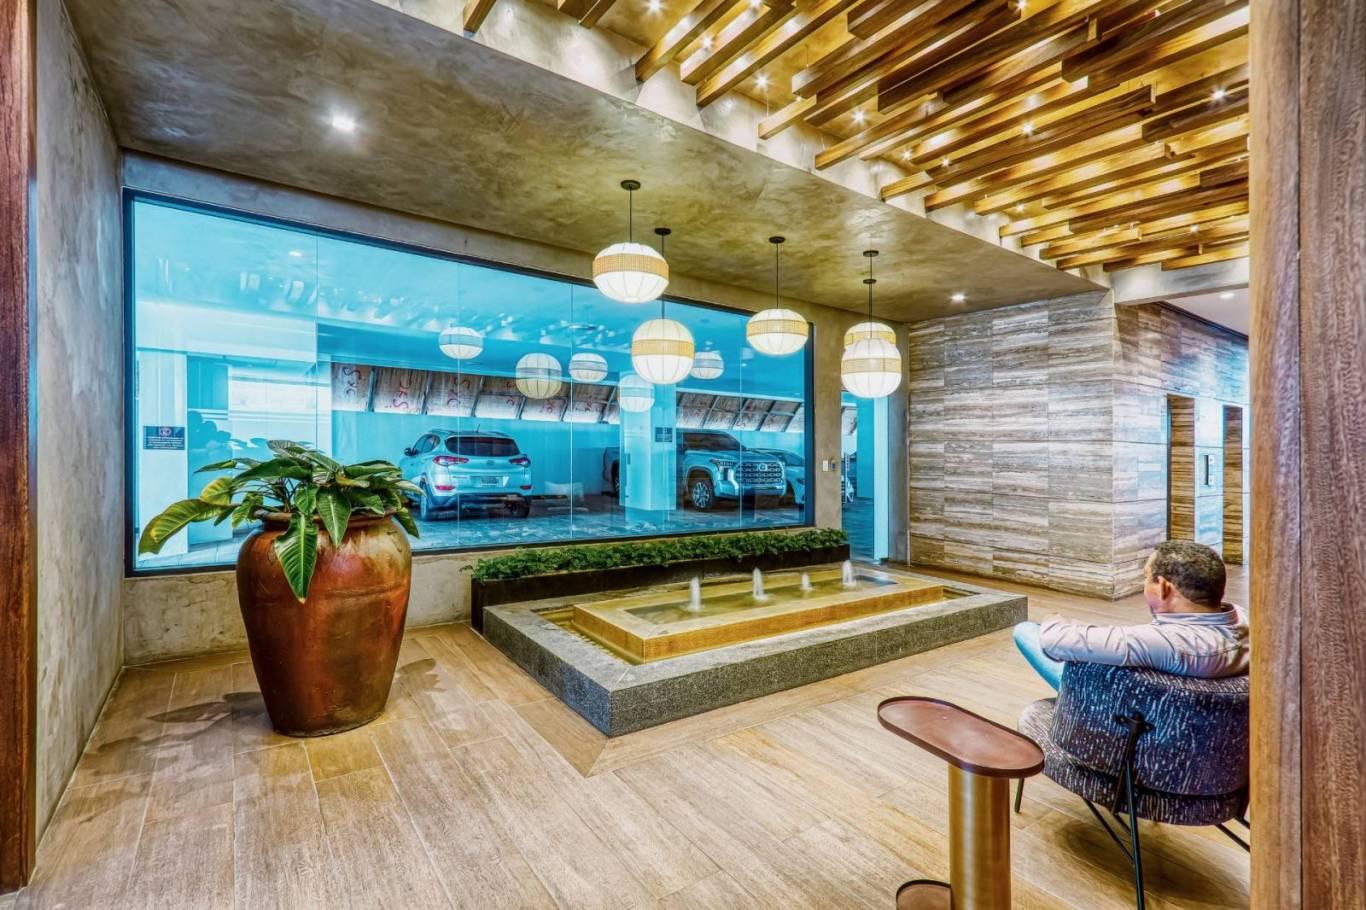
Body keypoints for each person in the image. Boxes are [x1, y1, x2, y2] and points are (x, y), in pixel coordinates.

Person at [1014, 540, 1249, 691]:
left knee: (1025, 630)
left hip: (1124, 709)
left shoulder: (1165, 643)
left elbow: (1053, 640)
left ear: (1164, 588)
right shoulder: (1244, 619)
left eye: (1146, 577)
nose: (1143, 585)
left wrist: (1052, 616)